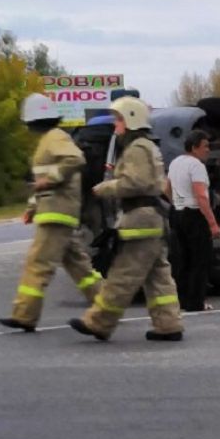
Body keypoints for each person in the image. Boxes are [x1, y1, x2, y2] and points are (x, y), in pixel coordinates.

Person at [69, 96, 185, 342]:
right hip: (152, 219)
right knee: (158, 277)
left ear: (131, 120)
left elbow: (136, 182)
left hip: (140, 220)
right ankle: (169, 324)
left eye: (119, 120)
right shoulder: (148, 146)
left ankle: (99, 322)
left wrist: (106, 188)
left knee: (123, 275)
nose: (116, 126)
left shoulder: (137, 148)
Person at [0, 93, 103, 333]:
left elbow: (74, 159)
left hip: (56, 214)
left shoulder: (55, 137)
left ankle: (24, 315)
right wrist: (32, 207)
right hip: (57, 213)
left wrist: (50, 180)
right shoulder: (51, 138)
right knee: (80, 268)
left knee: (37, 264)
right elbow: (43, 181)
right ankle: (107, 304)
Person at [165, 129, 220, 312]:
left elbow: (167, 188)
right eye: (205, 146)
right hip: (194, 215)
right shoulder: (196, 166)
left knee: (182, 259)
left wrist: (176, 201)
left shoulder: (175, 163)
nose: (208, 150)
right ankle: (196, 302)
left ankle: (181, 300)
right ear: (194, 147)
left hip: (177, 212)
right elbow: (201, 197)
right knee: (200, 260)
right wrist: (213, 223)